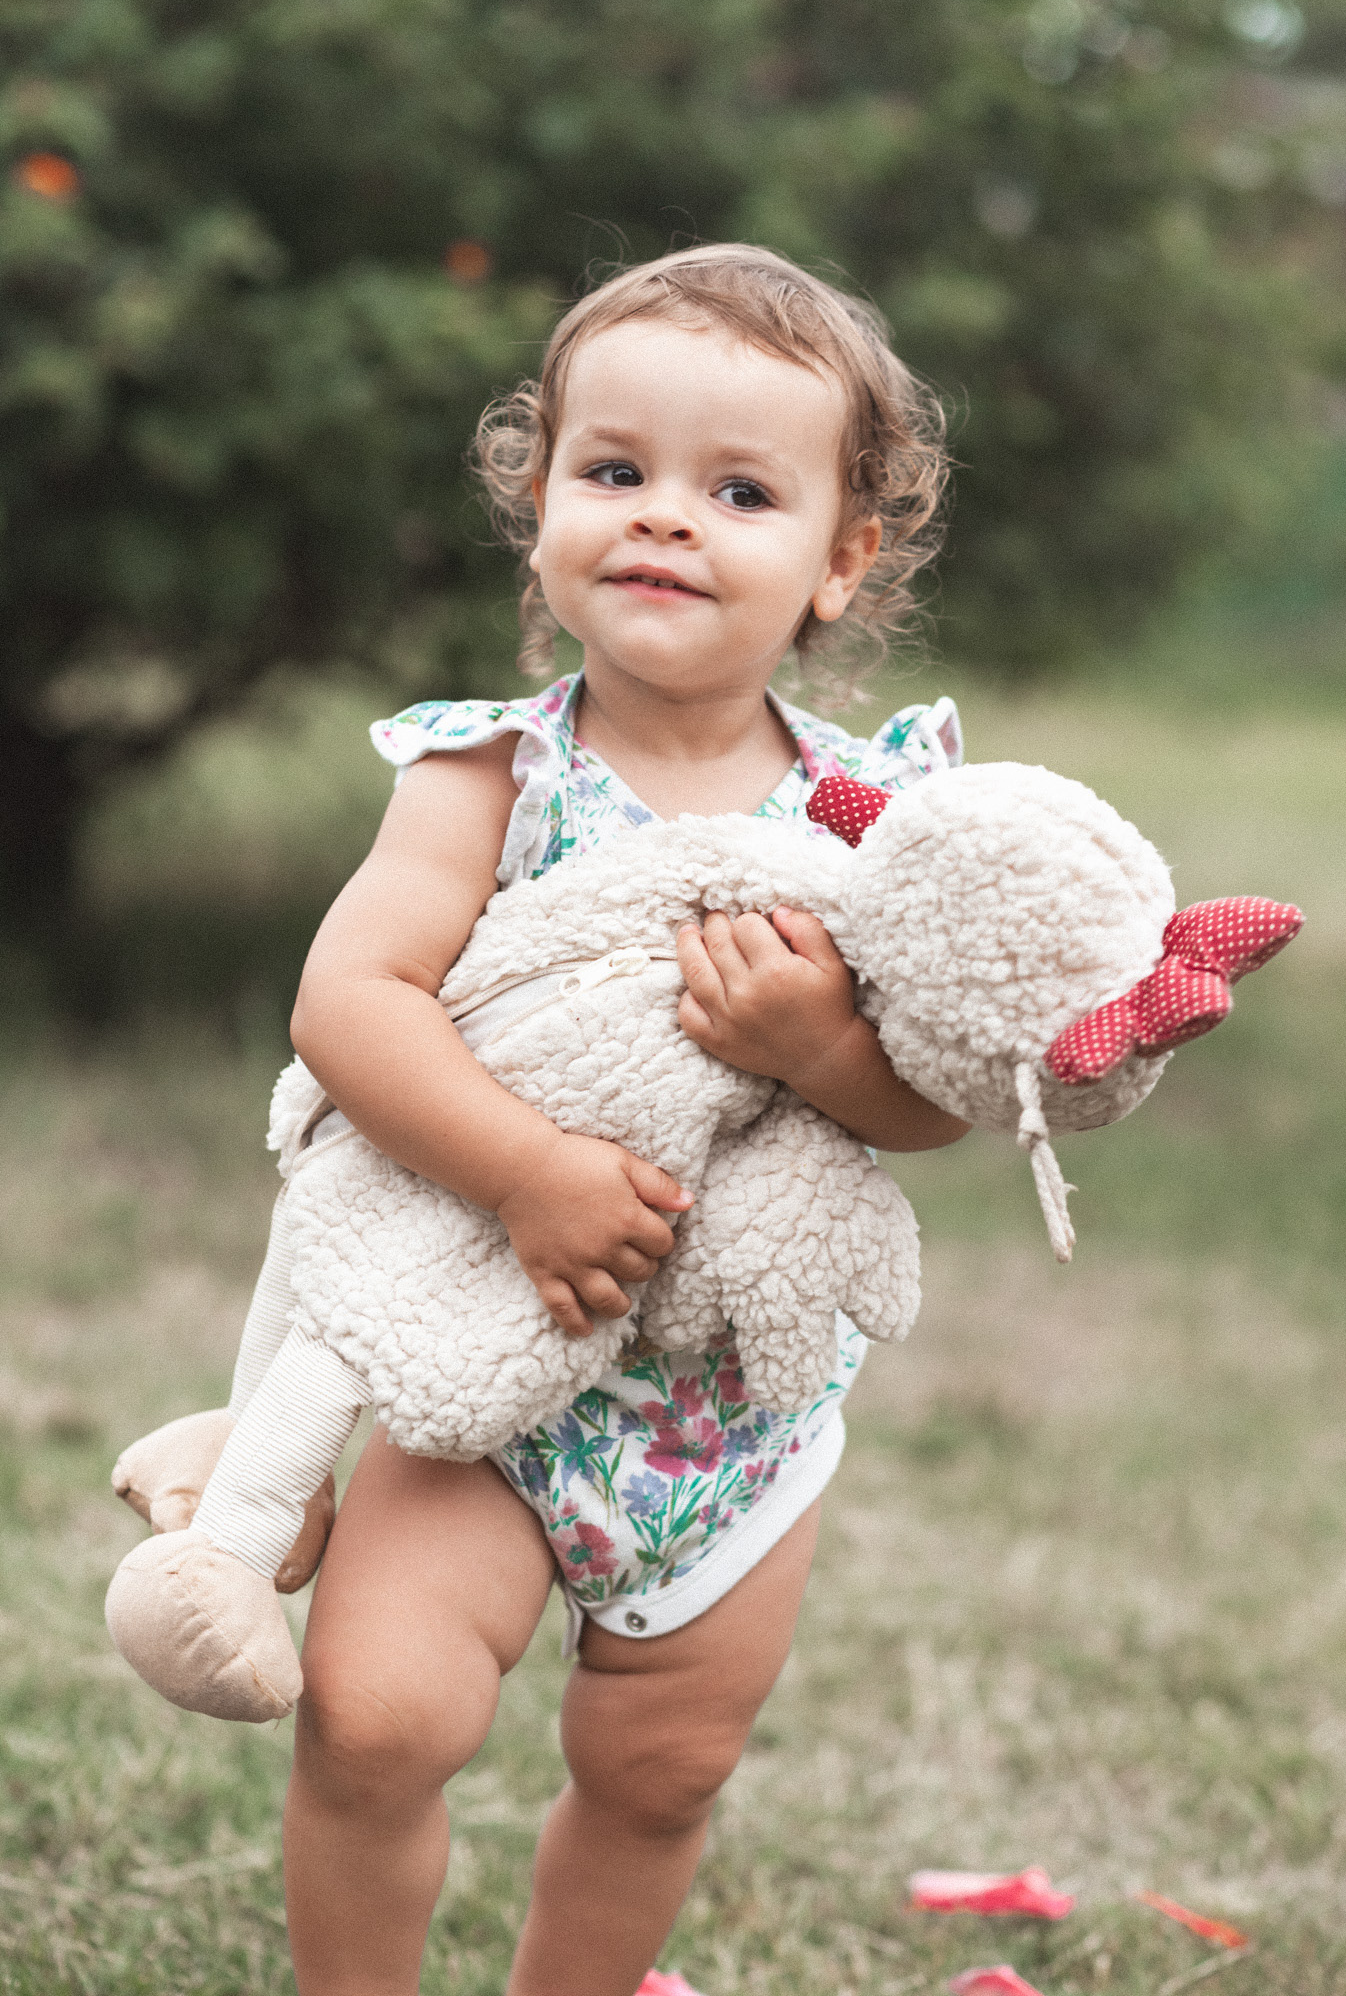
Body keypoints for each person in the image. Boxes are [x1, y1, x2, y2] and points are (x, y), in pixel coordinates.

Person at [282, 243, 971, 1996]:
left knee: (661, 1772)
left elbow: (931, 1109)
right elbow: (349, 1006)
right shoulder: (485, 775)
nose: (665, 517)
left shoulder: (871, 819)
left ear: (840, 560)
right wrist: (528, 1171)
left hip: (729, 1405)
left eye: (738, 490)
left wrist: (825, 1049)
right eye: (617, 472)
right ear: (540, 511)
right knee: (380, 1720)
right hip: (492, 1346)